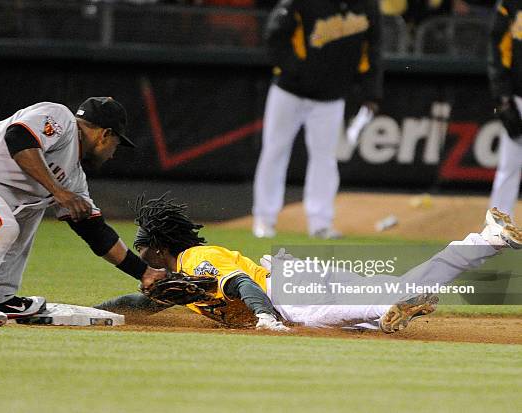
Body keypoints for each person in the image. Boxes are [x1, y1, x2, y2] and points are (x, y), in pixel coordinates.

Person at [97, 194, 521, 333]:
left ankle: (390, 307)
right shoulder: (181, 281)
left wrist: (265, 319)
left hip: (286, 290)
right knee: (389, 296)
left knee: (311, 316)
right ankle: (485, 241)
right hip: (298, 278)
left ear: (158, 247)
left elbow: (243, 283)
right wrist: (93, 314)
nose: (138, 254)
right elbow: (140, 302)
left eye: (141, 246)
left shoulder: (196, 260)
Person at [0, 97, 166, 326]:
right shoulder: (61, 118)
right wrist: (58, 191)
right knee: (2, 223)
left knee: (28, 209)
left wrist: (145, 273)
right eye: (116, 145)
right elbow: (18, 138)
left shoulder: (74, 179)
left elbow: (96, 233)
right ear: (105, 134)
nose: (113, 154)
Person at [252, 0, 383, 238]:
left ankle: (320, 222)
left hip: (331, 96)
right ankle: (264, 219)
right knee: (275, 151)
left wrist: (371, 92)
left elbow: (373, 48)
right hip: (289, 92)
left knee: (325, 158)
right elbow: (275, 34)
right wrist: (295, 70)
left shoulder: (368, 5)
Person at [488, 0, 522, 219]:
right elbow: (498, 48)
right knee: (509, 167)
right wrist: (503, 97)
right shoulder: (511, 3)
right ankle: (497, 228)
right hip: (520, 96)